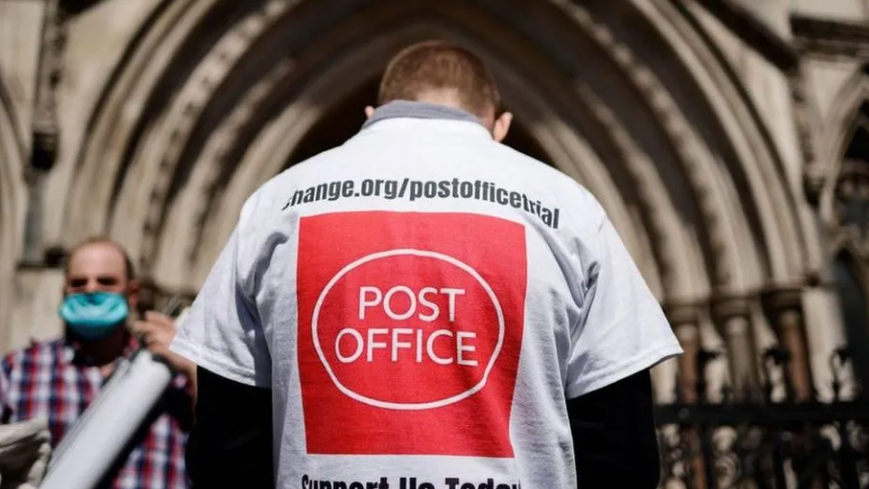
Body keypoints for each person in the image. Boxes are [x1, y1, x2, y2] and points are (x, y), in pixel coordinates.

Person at [172, 40, 683, 488]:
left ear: (371, 116)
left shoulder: (276, 204)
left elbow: (226, 440)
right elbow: (622, 450)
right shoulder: (568, 208)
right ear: (500, 126)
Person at [0, 237, 194, 488]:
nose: (91, 290)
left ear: (132, 294)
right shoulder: (18, 371)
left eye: (106, 282)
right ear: (64, 292)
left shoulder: (174, 374)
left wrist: (193, 368)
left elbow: (231, 441)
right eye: (79, 283)